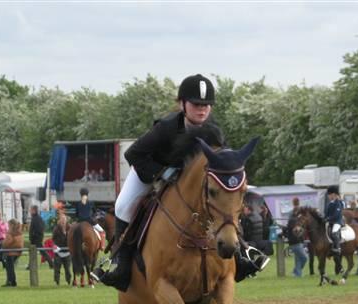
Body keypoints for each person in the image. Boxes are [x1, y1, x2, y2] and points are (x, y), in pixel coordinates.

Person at [94, 73, 267, 290]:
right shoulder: (165, 128)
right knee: (123, 207)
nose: (202, 109)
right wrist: (161, 173)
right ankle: (120, 264)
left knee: (223, 207)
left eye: (206, 105)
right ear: (182, 104)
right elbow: (133, 155)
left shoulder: (213, 132)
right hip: (150, 173)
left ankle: (241, 256)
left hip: (187, 184)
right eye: (196, 104)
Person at [285, 197, 308, 277]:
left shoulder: (294, 218)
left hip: (298, 241)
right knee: (305, 258)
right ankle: (296, 272)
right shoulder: (293, 220)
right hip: (296, 241)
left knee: (298, 259)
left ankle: (297, 274)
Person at [52, 212, 72, 285]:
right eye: (62, 219)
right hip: (58, 252)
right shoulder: (56, 229)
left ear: (66, 220)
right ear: (59, 220)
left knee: (67, 269)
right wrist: (55, 246)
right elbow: (53, 239)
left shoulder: (69, 228)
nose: (63, 221)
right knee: (57, 269)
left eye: (64, 219)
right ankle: (56, 282)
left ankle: (68, 281)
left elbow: (72, 238)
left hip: (67, 252)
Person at [325, 185, 344, 256]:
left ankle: (338, 248)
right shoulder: (330, 203)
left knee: (334, 232)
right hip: (330, 222)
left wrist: (328, 219)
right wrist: (324, 218)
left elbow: (336, 215)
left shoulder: (338, 203)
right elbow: (327, 214)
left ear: (333, 194)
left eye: (329, 194)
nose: (328, 196)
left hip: (337, 222)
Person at [3, 219, 22, 287]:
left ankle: (11, 281)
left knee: (9, 268)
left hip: (10, 252)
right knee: (11, 267)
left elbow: (8, 242)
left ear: (11, 225)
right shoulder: (19, 231)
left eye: (8, 225)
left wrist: (3, 244)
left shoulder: (10, 232)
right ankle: (11, 281)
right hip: (17, 252)